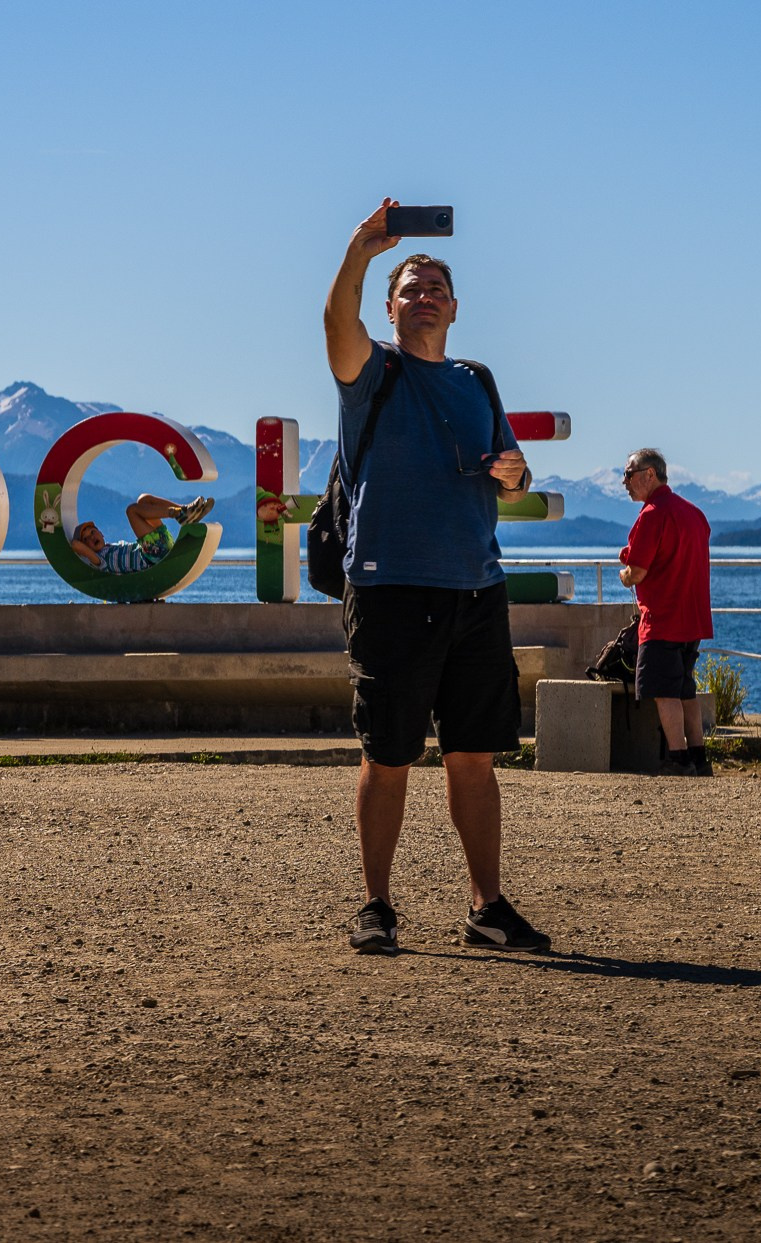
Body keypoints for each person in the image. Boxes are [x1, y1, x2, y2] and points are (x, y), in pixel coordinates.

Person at [324, 199, 548, 957]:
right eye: (411, 288)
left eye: (436, 289)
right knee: (388, 755)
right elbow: (333, 321)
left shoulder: (476, 379)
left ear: (455, 308)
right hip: (391, 591)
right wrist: (363, 245)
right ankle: (376, 906)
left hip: (477, 590)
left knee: (475, 757)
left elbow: (512, 476)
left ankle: (487, 907)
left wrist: (515, 475)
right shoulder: (370, 371)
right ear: (390, 307)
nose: (425, 297)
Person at [619, 448, 715, 776]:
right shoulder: (695, 514)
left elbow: (639, 571)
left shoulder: (652, 514)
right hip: (694, 618)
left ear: (650, 474)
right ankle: (699, 758)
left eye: (628, 474)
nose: (624, 482)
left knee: (663, 692)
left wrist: (624, 575)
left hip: (662, 618)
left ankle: (677, 758)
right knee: (685, 689)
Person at [68, 494, 215, 575]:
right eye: (86, 539)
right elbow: (75, 544)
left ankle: (185, 513)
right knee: (131, 510)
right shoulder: (100, 561)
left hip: (155, 548)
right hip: (151, 557)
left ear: (101, 533)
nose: (91, 537)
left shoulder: (112, 546)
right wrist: (80, 544)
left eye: (93, 532)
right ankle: (179, 513)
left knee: (144, 500)